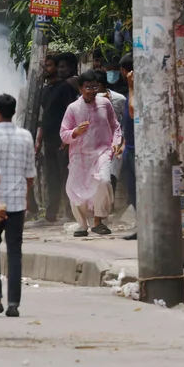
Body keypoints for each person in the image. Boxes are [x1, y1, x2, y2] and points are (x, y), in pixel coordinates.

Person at [0, 94, 36, 317]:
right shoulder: (25, 136)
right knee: (15, 251)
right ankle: (13, 304)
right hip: (17, 202)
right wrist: (25, 196)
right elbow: (30, 172)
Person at [61, 73, 121, 237]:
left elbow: (115, 126)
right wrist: (75, 131)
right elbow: (63, 134)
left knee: (103, 181)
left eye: (95, 87)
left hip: (102, 152)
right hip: (79, 156)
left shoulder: (105, 104)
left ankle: (98, 221)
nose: (92, 91)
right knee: (75, 188)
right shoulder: (73, 108)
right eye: (88, 87)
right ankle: (82, 224)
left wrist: (116, 143)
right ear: (80, 89)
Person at [35, 53, 80, 224]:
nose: (46, 69)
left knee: (67, 175)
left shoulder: (65, 88)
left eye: (49, 66)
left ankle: (71, 214)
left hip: (63, 140)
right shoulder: (45, 91)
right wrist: (39, 140)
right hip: (49, 140)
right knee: (51, 177)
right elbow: (44, 117)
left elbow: (72, 114)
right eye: (45, 66)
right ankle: (50, 215)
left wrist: (68, 138)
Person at [118, 54, 139, 240]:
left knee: (138, 190)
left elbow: (133, 113)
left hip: (138, 150)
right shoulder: (129, 93)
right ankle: (142, 226)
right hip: (129, 147)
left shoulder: (137, 91)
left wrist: (132, 87)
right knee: (131, 190)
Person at [99, 70, 128, 194]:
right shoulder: (85, 101)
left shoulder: (119, 99)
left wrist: (123, 142)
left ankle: (108, 207)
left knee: (111, 176)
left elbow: (126, 121)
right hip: (95, 145)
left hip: (115, 144)